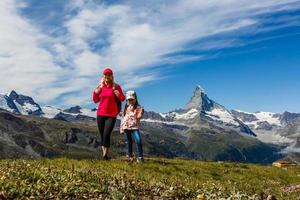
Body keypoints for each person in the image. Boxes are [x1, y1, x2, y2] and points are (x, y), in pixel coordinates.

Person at [92, 68, 125, 160]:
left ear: (112, 76)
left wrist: (118, 94)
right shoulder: (100, 87)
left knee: (106, 134)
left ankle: (105, 155)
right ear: (103, 76)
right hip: (100, 114)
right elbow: (95, 100)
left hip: (111, 115)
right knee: (102, 135)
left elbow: (122, 99)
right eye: (105, 75)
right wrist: (95, 92)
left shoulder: (116, 87)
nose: (107, 76)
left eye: (109, 75)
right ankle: (104, 155)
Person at [120, 90, 144, 163]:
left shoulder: (138, 107)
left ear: (135, 99)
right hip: (126, 126)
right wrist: (121, 128)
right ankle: (130, 156)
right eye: (129, 99)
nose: (130, 101)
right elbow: (123, 118)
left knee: (138, 141)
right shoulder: (126, 107)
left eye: (132, 99)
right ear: (127, 100)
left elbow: (138, 117)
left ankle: (140, 157)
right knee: (129, 141)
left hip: (134, 127)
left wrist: (141, 113)